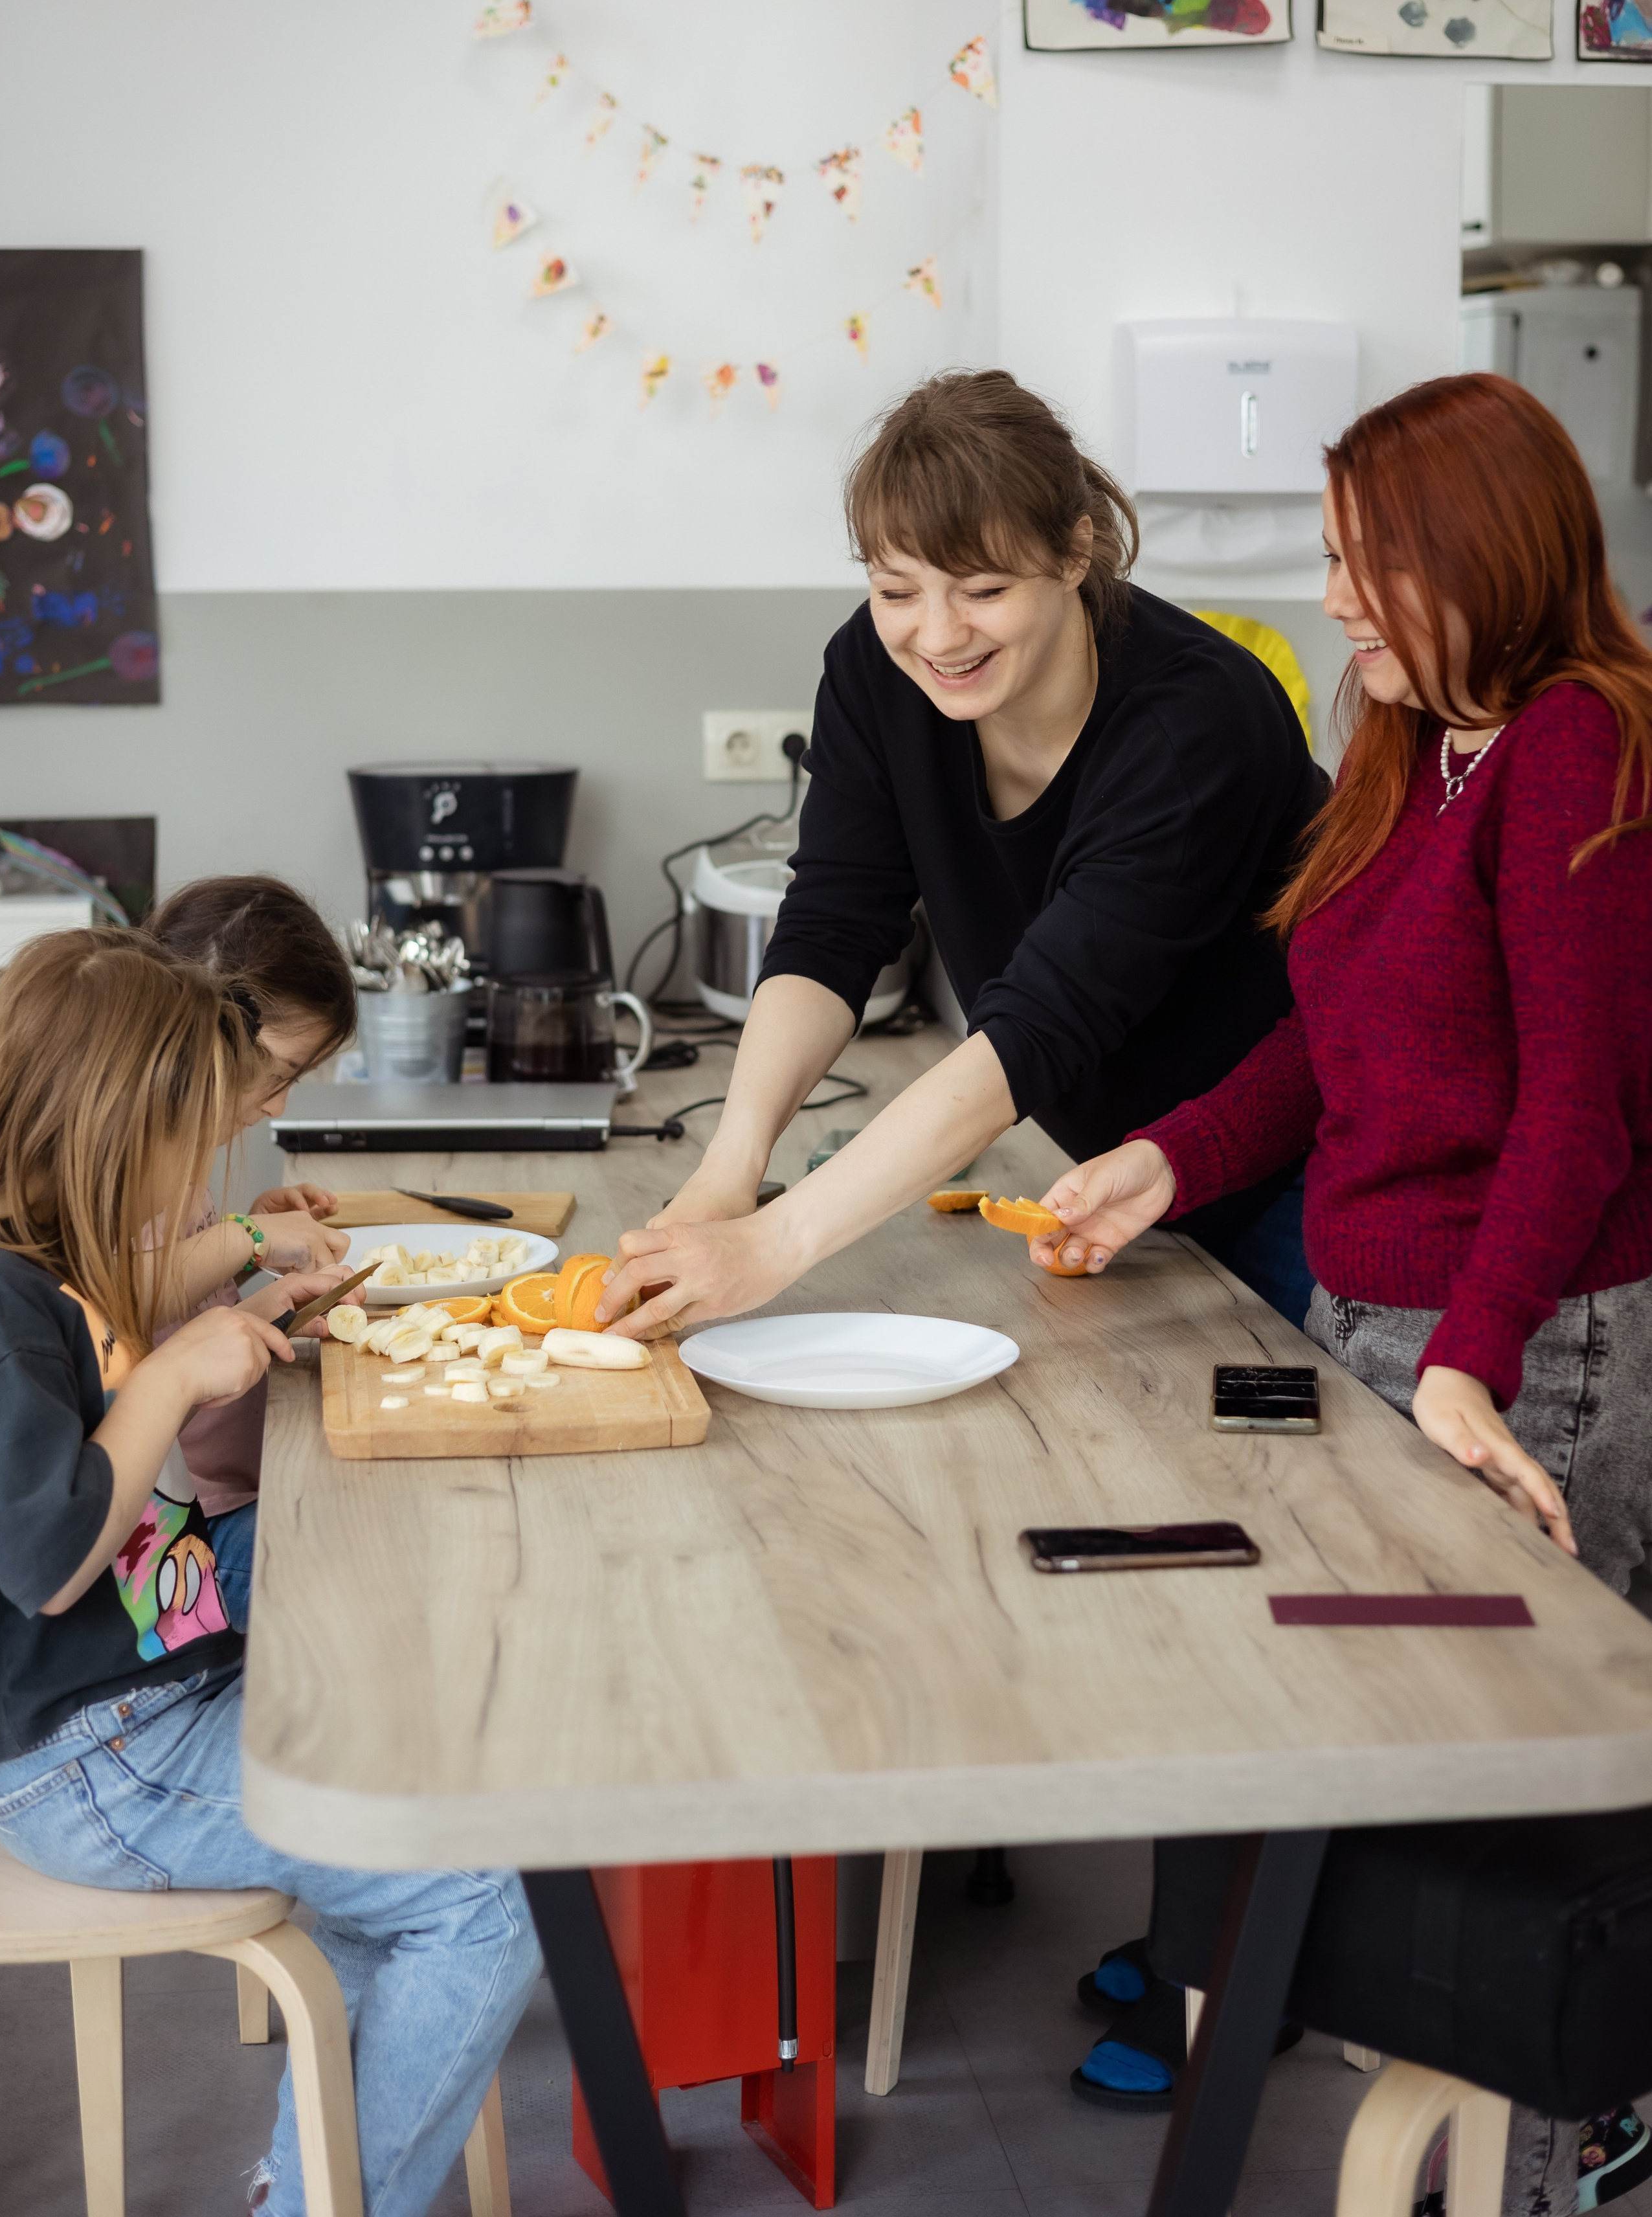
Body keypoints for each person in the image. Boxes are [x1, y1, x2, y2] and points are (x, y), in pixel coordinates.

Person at [1029, 373, 1652, 2205]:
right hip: (1391, 1334)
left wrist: (1471, 1358)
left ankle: (1557, 2184)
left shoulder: (1578, 747)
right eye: (1329, 562)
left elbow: (1578, 1116)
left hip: (1538, 1348)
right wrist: (1170, 1161)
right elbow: (1331, 1041)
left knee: (1540, 1828)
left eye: (1371, 567)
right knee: (1395, 1780)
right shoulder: (1418, 744)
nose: (1337, 605)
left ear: (1487, 555)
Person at [596, 368, 1324, 1341]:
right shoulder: (874, 670)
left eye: (984, 589)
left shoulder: (1198, 722)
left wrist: (772, 1248)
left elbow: (1039, 1027)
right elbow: (830, 929)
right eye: (897, 589)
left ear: (1077, 549)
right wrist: (728, 1174)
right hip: (1124, 1183)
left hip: (1301, 1170)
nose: (937, 635)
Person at [0, 928, 541, 2217]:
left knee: (382, 1559)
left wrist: (242, 1268)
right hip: (92, 1757)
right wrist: (183, 1373)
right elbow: (48, 1553)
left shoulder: (28, 1254)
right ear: (115, 1130)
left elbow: (119, 1276)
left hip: (133, 1684)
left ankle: (320, 2176)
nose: (204, 1182)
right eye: (196, 1151)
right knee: (477, 1898)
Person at [146, 876, 358, 1627]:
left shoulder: (175, 1145)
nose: (277, 1107)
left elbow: (177, 1282)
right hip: (203, 1521)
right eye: (277, 1076)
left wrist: (243, 1254)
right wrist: (252, 1238)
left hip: (243, 1484)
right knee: (368, 1564)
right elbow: (127, 1290)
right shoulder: (126, 1155)